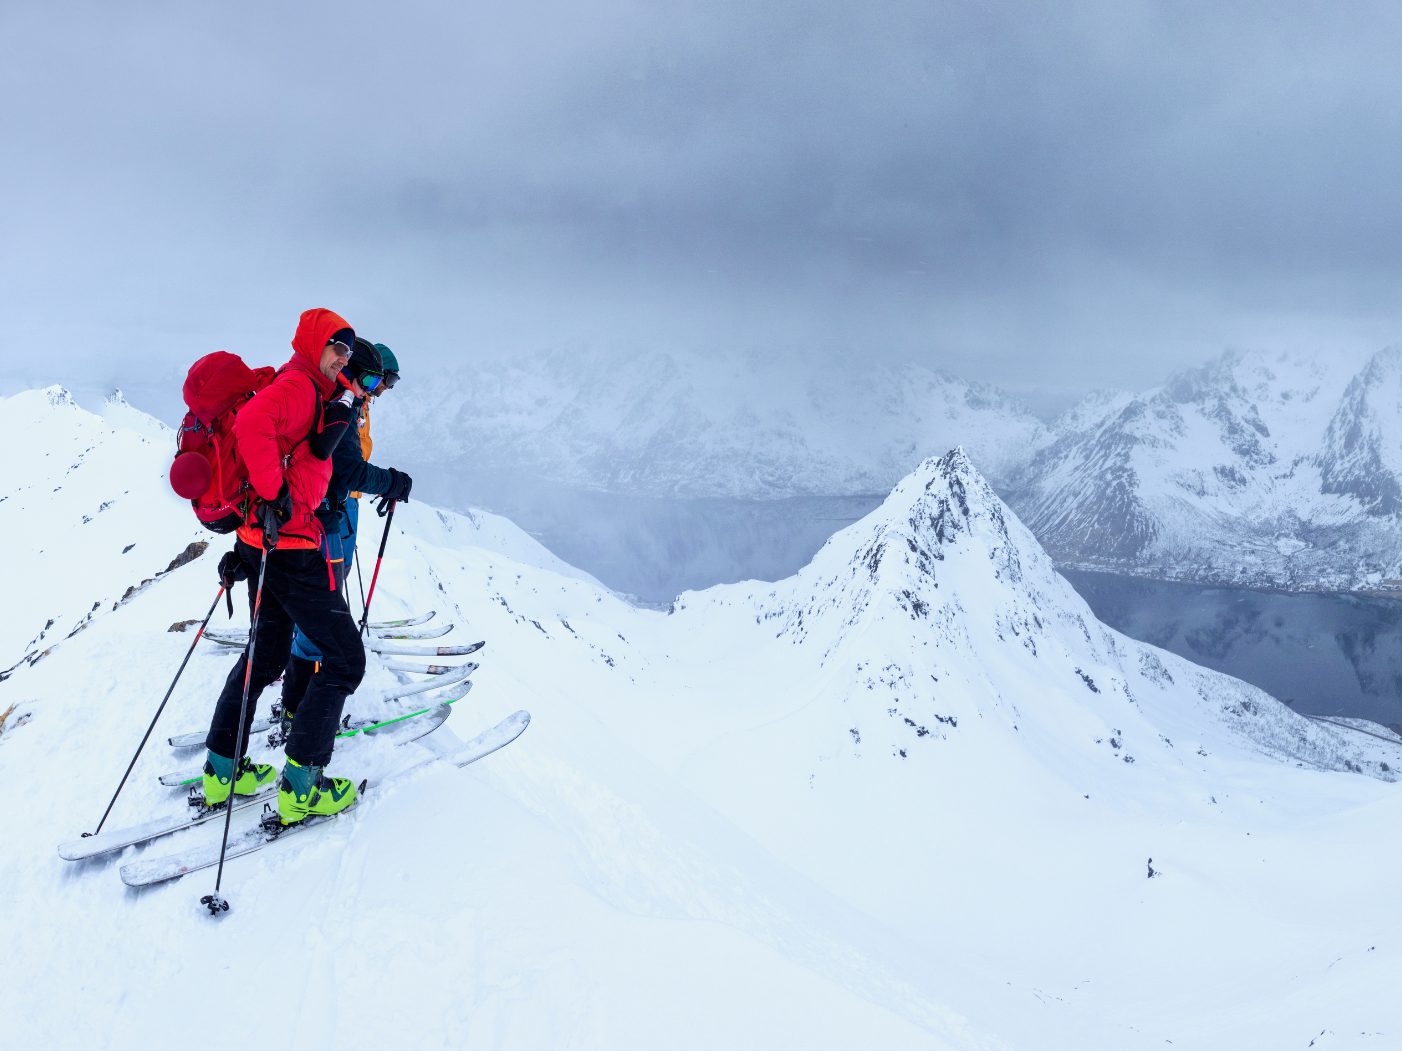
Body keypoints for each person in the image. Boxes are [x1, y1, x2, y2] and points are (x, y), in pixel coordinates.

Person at [202, 308, 367, 825]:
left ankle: (221, 771)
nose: (341, 356)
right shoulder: (299, 385)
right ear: (315, 344)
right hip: (290, 548)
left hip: (263, 542)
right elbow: (252, 423)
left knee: (265, 657)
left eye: (347, 349)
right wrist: (275, 493)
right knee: (345, 659)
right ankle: (302, 786)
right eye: (336, 346)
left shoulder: (313, 388)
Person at [276, 337, 412, 733]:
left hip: (322, 511)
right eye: (380, 381)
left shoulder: (347, 401)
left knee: (319, 602)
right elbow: (347, 467)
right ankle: (297, 709)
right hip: (322, 517)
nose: (381, 389)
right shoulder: (342, 403)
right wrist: (391, 483)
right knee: (322, 606)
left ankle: (295, 702)